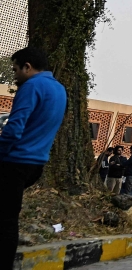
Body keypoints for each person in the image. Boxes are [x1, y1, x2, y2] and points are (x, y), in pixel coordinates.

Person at [0, 46, 66, 270]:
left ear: (28, 67)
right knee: (8, 216)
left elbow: (14, 128)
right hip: (36, 164)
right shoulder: (59, 89)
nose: (15, 75)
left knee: (6, 221)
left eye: (16, 69)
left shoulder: (31, 86)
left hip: (14, 161)